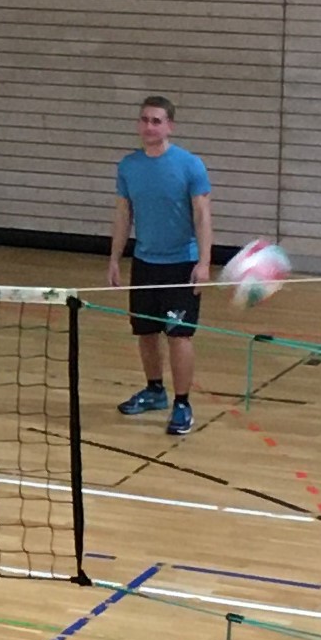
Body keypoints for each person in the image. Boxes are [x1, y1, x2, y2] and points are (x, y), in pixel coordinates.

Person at [107, 96, 215, 438]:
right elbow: (124, 215)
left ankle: (182, 403)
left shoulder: (190, 165)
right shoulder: (128, 166)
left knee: (179, 336)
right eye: (144, 120)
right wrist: (114, 259)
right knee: (146, 332)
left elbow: (202, 215)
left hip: (181, 264)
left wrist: (204, 262)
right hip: (145, 263)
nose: (149, 126)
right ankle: (155, 390)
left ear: (170, 126)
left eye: (156, 120)